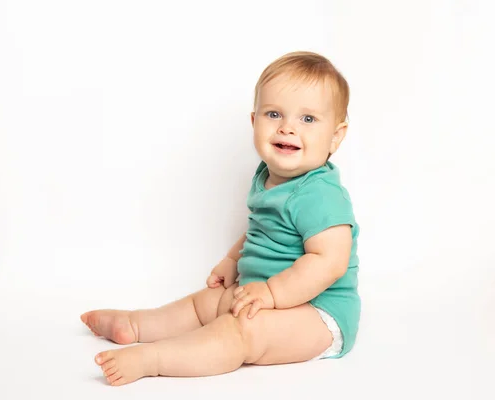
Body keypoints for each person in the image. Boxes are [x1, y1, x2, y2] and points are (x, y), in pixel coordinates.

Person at [80, 51, 361, 386]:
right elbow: (264, 231)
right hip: (267, 295)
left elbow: (329, 261)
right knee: (207, 304)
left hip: (318, 314)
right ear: (254, 121)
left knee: (242, 330)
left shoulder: (320, 194)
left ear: (336, 135)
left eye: (309, 119)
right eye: (274, 114)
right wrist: (233, 260)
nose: (288, 127)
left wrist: (270, 293)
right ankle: (138, 324)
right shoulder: (269, 176)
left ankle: (154, 359)